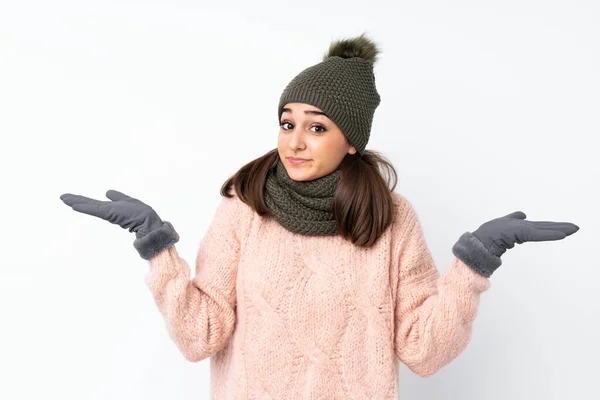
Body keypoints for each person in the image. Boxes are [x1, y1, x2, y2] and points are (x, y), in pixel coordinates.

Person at [59, 32, 579, 398]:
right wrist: (156, 245)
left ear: (351, 140)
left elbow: (423, 350)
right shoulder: (245, 206)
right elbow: (201, 336)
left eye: (317, 127)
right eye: (287, 123)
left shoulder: (392, 218)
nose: (295, 142)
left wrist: (475, 264)